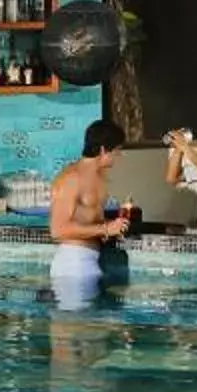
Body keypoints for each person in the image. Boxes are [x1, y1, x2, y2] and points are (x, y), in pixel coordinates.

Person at [48, 119, 134, 305]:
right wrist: (105, 229)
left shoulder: (99, 178)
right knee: (73, 329)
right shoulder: (72, 179)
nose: (119, 156)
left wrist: (112, 230)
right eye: (117, 150)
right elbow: (58, 230)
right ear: (103, 150)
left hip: (90, 262)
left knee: (89, 329)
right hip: (72, 264)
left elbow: (92, 221)